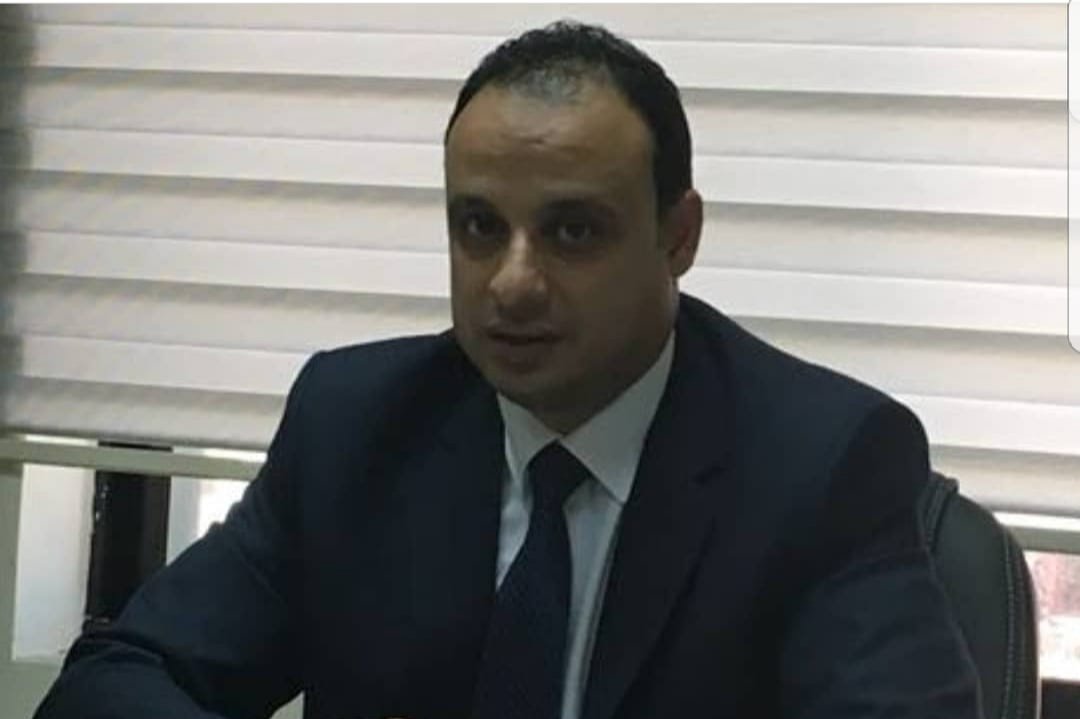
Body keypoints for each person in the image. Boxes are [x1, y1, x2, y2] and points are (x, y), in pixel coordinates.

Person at [35, 21, 981, 719]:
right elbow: (117, 680)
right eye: (480, 227)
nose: (512, 283)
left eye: (572, 231)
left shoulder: (821, 464)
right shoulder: (358, 426)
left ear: (679, 236)